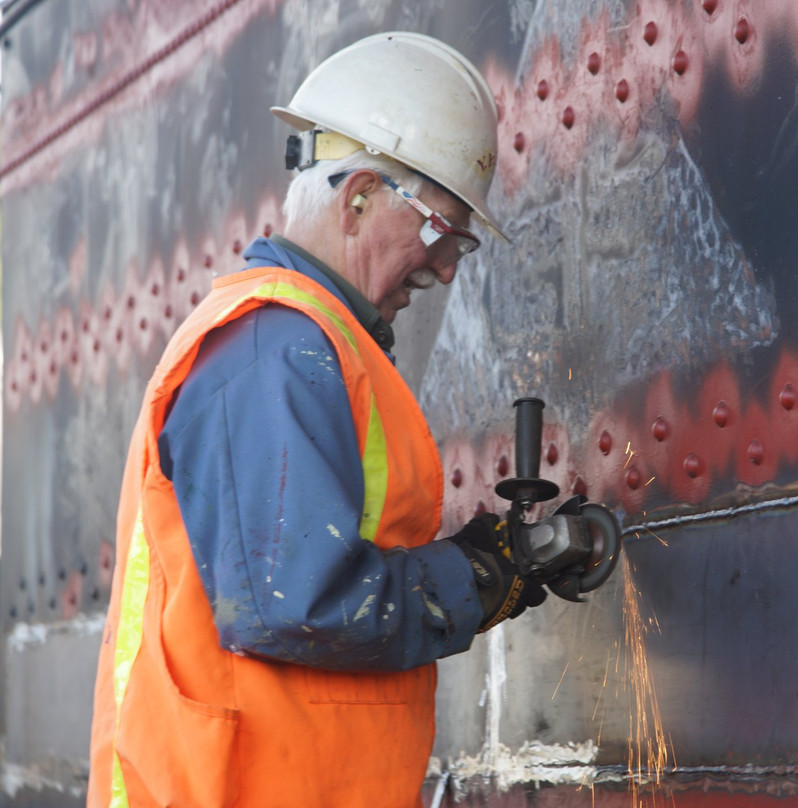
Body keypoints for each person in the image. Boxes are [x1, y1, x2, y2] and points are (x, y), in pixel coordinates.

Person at [88, 32, 545, 808]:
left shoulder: (311, 344)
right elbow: (295, 604)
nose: (445, 270)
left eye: (460, 242)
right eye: (440, 232)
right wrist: (481, 574)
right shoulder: (275, 345)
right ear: (360, 195)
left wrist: (486, 572)